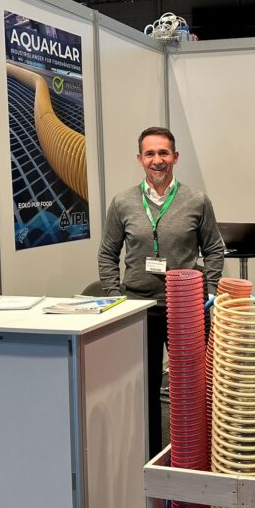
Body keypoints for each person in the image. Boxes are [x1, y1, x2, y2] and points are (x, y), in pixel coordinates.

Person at [98, 126, 224, 457]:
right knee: (145, 388)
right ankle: (150, 457)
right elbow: (107, 253)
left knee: (195, 387)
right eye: (150, 153)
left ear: (175, 157)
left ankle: (200, 456)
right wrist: (115, 295)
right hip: (138, 308)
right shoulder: (123, 202)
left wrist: (209, 290)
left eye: (164, 153)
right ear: (140, 159)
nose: (157, 160)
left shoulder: (197, 200)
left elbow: (214, 249)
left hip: (187, 309)